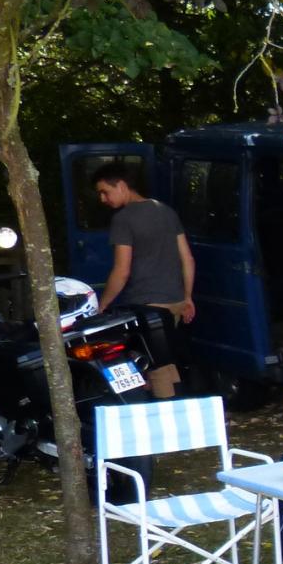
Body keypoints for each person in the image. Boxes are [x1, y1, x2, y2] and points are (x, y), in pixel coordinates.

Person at [93, 166, 195, 398]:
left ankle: (164, 415)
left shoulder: (123, 219)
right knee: (169, 362)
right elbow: (187, 258)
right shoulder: (166, 211)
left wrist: (102, 305)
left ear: (121, 185)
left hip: (147, 305)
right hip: (176, 301)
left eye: (104, 192)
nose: (102, 199)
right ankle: (177, 405)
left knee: (156, 368)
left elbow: (122, 271)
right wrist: (187, 297)